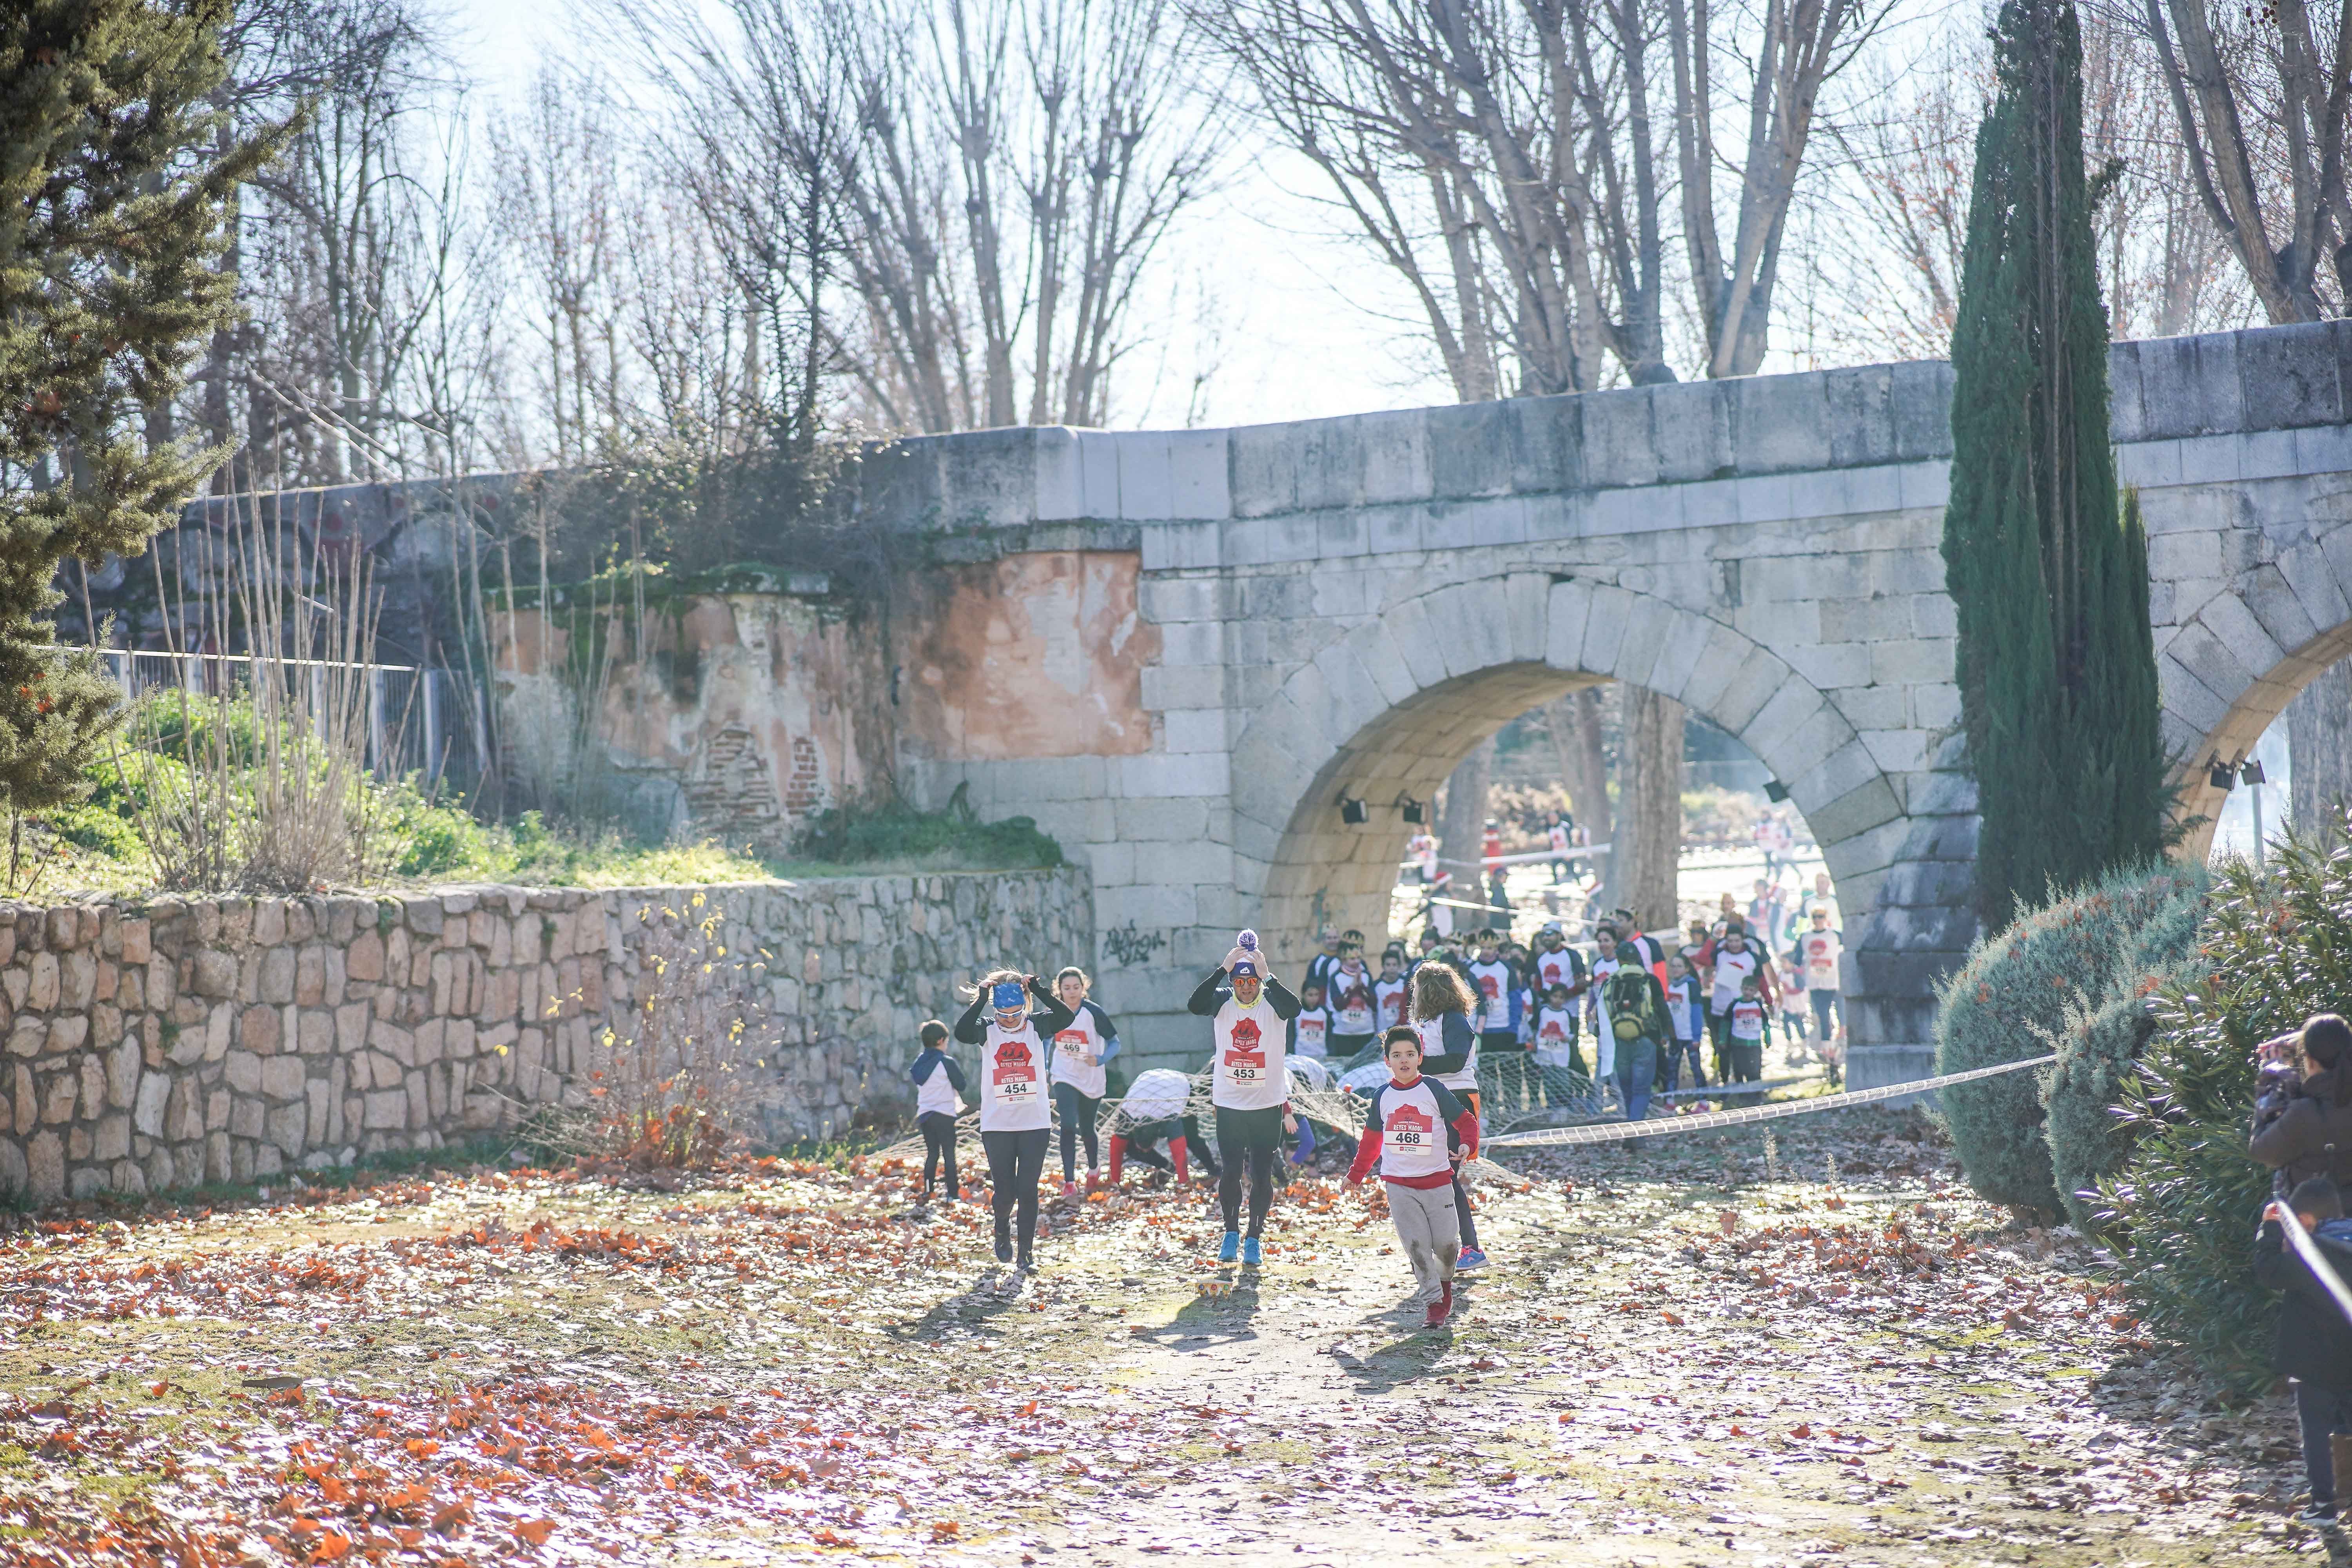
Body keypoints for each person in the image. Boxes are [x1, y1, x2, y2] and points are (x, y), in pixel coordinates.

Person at [1347, 1025, 1481, 1327]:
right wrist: (1356, 1175)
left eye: (1410, 1054)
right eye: (1397, 1055)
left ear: (1420, 1057)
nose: (1404, 1060)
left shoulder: (1433, 1089)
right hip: (1399, 1186)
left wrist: (1466, 1144)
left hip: (1437, 1182)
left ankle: (1445, 1285)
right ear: (1387, 1061)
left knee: (1448, 1248)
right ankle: (1434, 1304)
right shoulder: (1382, 1097)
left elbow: (1466, 1122)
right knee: (1418, 1248)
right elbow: (1371, 1142)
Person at [1187, 935, 1302, 1265]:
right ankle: (1230, 1232)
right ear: (1233, 981)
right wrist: (1221, 970)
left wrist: (1269, 976)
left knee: (1263, 1173)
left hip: (1267, 1103)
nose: (1247, 988)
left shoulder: (1272, 1000)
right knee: (1231, 1170)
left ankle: (1254, 1237)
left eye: (1252, 982)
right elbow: (1195, 1005)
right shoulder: (1223, 999)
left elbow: (1294, 1009)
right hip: (1230, 1103)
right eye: (1241, 981)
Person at [953, 970, 1078, 1272]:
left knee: (1028, 1189)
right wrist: (982, 999)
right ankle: (1000, 1227)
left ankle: (1026, 1254)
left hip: (1035, 1121)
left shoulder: (1037, 1026)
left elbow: (1066, 1017)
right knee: (1006, 1191)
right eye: (1003, 1014)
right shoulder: (986, 1029)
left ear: (1025, 1007)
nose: (1009, 1020)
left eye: (1015, 1014)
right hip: (998, 1124)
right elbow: (962, 1032)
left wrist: (1039, 989)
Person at [2257, 1178, 2352, 1523]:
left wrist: (2270, 1230)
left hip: (2314, 1366)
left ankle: (2324, 1506)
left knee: (2316, 1433)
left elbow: (2268, 1271)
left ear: (2307, 1220)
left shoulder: (2310, 1257)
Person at [1410, 960, 1489, 1269]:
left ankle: (1471, 1248)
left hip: (1457, 1100)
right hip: (1431, 1100)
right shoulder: (1424, 1023)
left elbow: (1456, 1060)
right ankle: (1447, 1245)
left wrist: (1418, 1065)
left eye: (1418, 989)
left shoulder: (1454, 1020)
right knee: (1433, 1175)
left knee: (1447, 1176)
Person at [2253, 1016, 2352, 1188]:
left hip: (2316, 1212)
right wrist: (2306, 1040)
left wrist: (2275, 1079)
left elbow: (2262, 1151)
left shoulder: (2305, 1113)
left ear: (2311, 1062)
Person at [1047, 967, 1120, 1197]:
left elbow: (1115, 1043)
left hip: (1091, 1077)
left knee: (1088, 1128)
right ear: (1059, 989)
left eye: (1076, 988)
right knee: (1068, 1124)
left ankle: (1093, 1169)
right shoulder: (1054, 1012)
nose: (1072, 993)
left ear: (1084, 987)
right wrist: (1045, 1068)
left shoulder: (1093, 1012)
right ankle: (1069, 1181)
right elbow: (1046, 1040)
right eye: (1067, 988)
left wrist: (1099, 1059)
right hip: (1063, 1074)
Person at [1598, 936, 1670, 1128]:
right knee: (1642, 1090)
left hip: (1618, 1041)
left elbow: (1602, 1014)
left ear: (1619, 960)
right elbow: (1662, 1009)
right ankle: (1634, 1130)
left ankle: (1632, 1130)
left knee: (1627, 1089)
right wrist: (1669, 1035)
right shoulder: (1649, 980)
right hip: (1646, 1039)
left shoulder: (1610, 982)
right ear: (1638, 958)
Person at [909, 1020, 967, 1205]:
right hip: (945, 1114)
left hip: (926, 1115)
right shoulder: (946, 1062)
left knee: (932, 1154)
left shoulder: (919, 1063)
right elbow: (962, 1085)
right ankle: (953, 1194)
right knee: (949, 1155)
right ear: (941, 1040)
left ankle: (928, 1191)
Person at [1467, 931, 1526, 1108]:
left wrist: (1514, 1028)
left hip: (1504, 1027)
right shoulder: (1472, 970)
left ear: (1496, 949)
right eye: (1484, 948)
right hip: (1483, 1031)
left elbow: (1515, 998)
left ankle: (1513, 1107)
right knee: (1487, 1074)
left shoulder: (1506, 968)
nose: (1487, 952)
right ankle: (1490, 1110)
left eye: (1490, 948)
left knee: (1510, 1073)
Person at [1704, 927, 1768, 1083]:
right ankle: (1726, 1082)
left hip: (1745, 1010)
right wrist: (1713, 940)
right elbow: (1702, 960)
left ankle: (1751, 1084)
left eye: (1737, 941)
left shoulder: (1752, 958)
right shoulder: (1719, 955)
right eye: (1730, 941)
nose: (1734, 944)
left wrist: (1769, 1000)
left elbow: (1761, 980)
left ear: (1743, 940)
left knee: (1746, 1050)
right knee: (1723, 1049)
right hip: (1720, 1009)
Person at [1530, 982, 1585, 1107]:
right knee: (1549, 1083)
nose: (1558, 1000)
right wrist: (1533, 1041)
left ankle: (1565, 1107)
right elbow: (1535, 1028)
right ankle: (1552, 1107)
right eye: (1555, 996)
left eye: (1561, 998)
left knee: (1563, 1082)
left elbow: (1571, 1033)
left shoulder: (1566, 1014)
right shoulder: (1543, 1011)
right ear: (1550, 996)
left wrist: (1568, 1038)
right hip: (1546, 1055)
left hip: (1561, 1055)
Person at [1798, 907, 1844, 1050]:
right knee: (1822, 1012)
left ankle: (1833, 1040)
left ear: (1826, 918)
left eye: (1821, 916)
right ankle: (1827, 1044)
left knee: (1837, 1009)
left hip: (1832, 980)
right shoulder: (1805, 937)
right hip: (1814, 982)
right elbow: (1797, 959)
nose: (1818, 920)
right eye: (1815, 917)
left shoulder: (1835, 935)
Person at [1724, 973, 1773, 1103]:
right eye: (1745, 989)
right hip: (1738, 1042)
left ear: (1756, 991)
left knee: (1755, 1069)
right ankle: (1742, 1094)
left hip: (1754, 1044)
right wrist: (1723, 1040)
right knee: (1739, 1068)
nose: (1748, 992)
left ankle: (1756, 1095)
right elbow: (1726, 1023)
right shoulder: (1735, 1004)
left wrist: (1768, 1038)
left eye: (1751, 990)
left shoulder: (1758, 1005)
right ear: (1741, 989)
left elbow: (1766, 1023)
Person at [1327, 944, 1380, 1062]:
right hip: (1343, 1033)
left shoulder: (1366, 975)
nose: (1356, 962)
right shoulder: (1336, 977)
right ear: (1344, 960)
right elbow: (1338, 1005)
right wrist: (1351, 988)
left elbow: (1374, 1003)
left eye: (1358, 958)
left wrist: (1362, 987)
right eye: (1352, 959)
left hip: (1365, 1032)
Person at [1663, 955, 1708, 1094]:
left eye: (1679, 966)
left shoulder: (1691, 985)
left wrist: (1696, 1037)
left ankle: (1703, 1101)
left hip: (1690, 1036)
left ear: (1687, 969)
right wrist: (1666, 1034)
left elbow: (1697, 1011)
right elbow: (1667, 1012)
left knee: (1695, 1068)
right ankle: (1670, 1100)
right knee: (1672, 1069)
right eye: (1673, 966)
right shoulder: (1670, 986)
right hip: (1675, 1036)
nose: (1676, 969)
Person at [1291, 979, 1334, 1060]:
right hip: (1300, 1056)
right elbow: (1291, 1035)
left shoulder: (1324, 1013)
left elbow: (1330, 1036)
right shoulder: (1296, 1012)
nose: (1314, 998)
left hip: (1321, 1056)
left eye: (1316, 995)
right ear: (1303, 995)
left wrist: (1331, 1054)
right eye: (1310, 995)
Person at [1374, 948, 1411, 1033]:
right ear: (1383, 966)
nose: (1392, 968)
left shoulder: (1406, 983)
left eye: (1394, 965)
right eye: (1388, 965)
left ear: (1399, 966)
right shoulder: (1376, 986)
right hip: (1383, 1031)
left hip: (1404, 1029)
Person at [1547, 811, 1573, 884]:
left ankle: (1579, 883)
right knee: (1554, 867)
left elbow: (1570, 840)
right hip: (1556, 852)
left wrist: (1569, 852)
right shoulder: (1550, 829)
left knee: (1571, 870)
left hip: (1566, 852)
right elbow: (1551, 842)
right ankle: (1556, 882)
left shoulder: (1564, 826)